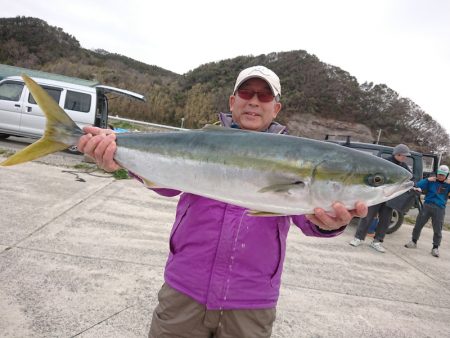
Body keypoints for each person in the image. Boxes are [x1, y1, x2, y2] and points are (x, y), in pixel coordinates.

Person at [77, 65, 367, 338]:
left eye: (264, 95)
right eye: (246, 93)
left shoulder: (298, 156)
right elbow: (166, 185)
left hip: (251, 302)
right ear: (232, 101)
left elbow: (307, 219)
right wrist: (116, 153)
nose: (254, 101)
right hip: (184, 290)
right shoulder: (202, 140)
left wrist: (329, 224)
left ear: (275, 107)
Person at [349, 144, 413, 253]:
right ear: (397, 154)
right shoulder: (385, 162)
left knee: (385, 220)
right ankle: (358, 238)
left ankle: (377, 242)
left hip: (390, 197)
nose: (405, 157)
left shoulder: (404, 166)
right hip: (377, 195)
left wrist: (413, 185)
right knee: (367, 216)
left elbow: (411, 177)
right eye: (404, 155)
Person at [405, 164, 450, 257]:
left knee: (437, 229)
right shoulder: (431, 181)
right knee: (418, 224)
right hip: (427, 205)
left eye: (443, 175)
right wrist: (427, 180)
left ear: (447, 175)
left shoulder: (448, 184)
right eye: (439, 174)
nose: (440, 176)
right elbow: (417, 185)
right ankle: (413, 241)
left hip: (439, 208)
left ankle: (435, 248)